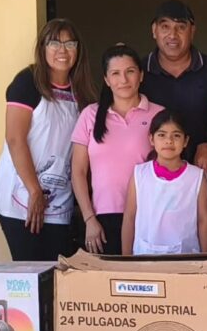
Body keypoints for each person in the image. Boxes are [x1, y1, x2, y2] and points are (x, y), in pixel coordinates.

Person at [0, 18, 96, 261]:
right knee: (29, 272)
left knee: (57, 272)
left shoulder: (82, 91)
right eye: (54, 43)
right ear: (43, 47)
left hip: (59, 200)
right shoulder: (28, 82)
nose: (62, 50)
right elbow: (15, 138)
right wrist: (34, 190)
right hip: (22, 195)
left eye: (70, 44)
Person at [70, 44, 164, 255]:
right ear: (106, 79)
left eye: (130, 71)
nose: (123, 80)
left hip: (147, 216)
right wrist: (89, 219)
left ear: (140, 76)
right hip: (101, 220)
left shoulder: (159, 115)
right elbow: (78, 172)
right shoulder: (90, 115)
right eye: (115, 73)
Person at [140, 0, 207, 171]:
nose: (172, 35)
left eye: (181, 27)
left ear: (192, 31)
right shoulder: (139, 72)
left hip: (204, 168)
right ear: (154, 30)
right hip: (153, 171)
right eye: (165, 27)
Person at [121, 109, 207, 254]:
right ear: (151, 139)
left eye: (176, 136)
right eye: (161, 135)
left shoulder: (196, 176)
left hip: (186, 258)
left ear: (186, 141)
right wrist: (126, 258)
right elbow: (129, 217)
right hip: (144, 256)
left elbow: (204, 220)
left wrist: (206, 258)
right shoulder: (140, 174)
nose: (169, 141)